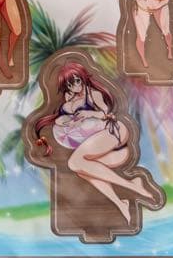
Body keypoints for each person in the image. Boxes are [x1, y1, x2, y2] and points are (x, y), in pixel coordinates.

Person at [34, 63, 158, 224]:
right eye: (70, 84)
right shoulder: (68, 98)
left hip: (114, 132)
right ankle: (121, 203)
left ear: (82, 78)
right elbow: (61, 118)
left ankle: (133, 186)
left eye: (77, 81)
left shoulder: (93, 94)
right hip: (102, 148)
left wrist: (88, 114)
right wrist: (66, 120)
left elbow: (106, 114)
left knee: (74, 163)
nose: (75, 86)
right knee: (82, 170)